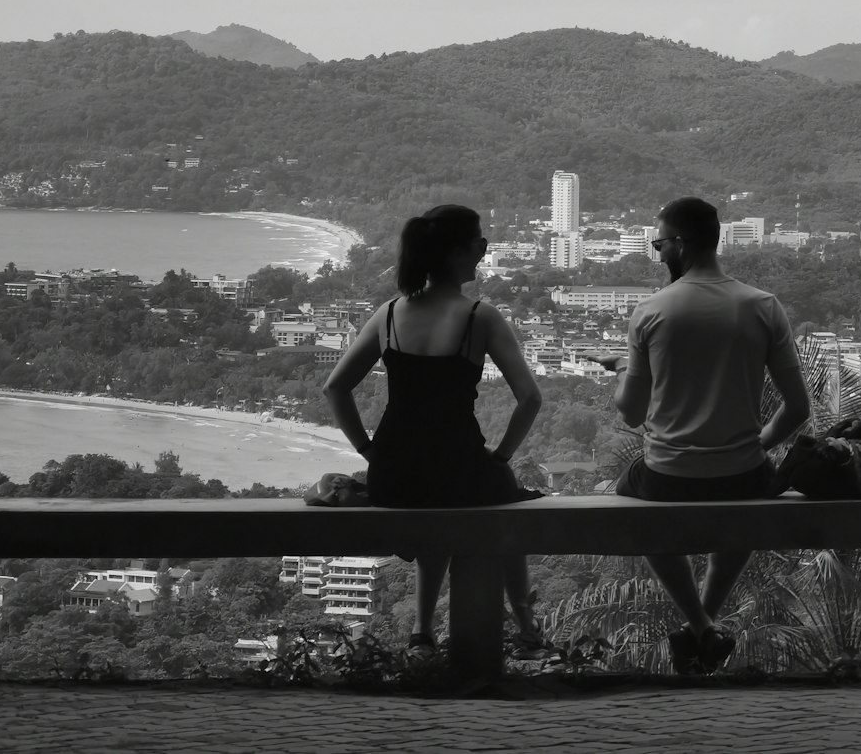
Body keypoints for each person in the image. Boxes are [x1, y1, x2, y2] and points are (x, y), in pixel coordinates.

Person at [595, 196, 811, 676]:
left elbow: (630, 414)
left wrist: (622, 370)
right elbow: (798, 409)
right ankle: (703, 627)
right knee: (747, 505)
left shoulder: (652, 311)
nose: (657, 253)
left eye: (658, 244)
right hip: (742, 475)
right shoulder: (762, 306)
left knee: (632, 501)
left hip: (668, 476)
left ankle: (700, 625)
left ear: (680, 244)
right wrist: (756, 446)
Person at [323, 204, 549, 662]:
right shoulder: (479, 318)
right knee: (502, 500)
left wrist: (370, 451)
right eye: (479, 243)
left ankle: (421, 631)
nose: (484, 252)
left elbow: (335, 388)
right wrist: (501, 457)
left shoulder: (388, 315)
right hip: (462, 468)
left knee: (437, 499)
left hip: (394, 475)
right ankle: (527, 627)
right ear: (456, 253)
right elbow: (530, 399)